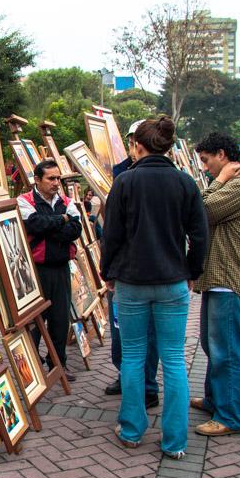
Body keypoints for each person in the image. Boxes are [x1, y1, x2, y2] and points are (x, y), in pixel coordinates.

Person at [100, 116, 208, 459]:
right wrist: (192, 270)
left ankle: (132, 430)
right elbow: (200, 235)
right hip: (173, 280)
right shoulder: (185, 183)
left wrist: (107, 273)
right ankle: (174, 441)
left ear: (137, 146)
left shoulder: (126, 183)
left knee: (133, 356)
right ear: (170, 147)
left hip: (131, 282)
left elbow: (112, 235)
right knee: (173, 359)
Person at [192, 132, 240, 436]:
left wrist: (217, 183)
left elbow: (201, 212)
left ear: (221, 155)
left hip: (229, 278)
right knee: (212, 344)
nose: (205, 168)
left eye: (207, 161)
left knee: (227, 349)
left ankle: (230, 415)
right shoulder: (231, 183)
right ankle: (215, 399)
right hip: (218, 278)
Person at [104, 120, 160, 410]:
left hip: (141, 271)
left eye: (135, 141)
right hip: (130, 267)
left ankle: (145, 389)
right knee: (119, 332)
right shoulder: (122, 172)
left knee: (144, 339)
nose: (132, 146)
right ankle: (126, 377)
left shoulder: (164, 173)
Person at [18, 159, 83, 382]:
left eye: (58, 178)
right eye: (51, 178)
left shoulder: (66, 201)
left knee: (60, 319)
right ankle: (33, 366)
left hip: (61, 268)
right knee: (35, 319)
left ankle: (58, 364)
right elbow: (34, 224)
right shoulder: (25, 201)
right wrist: (61, 221)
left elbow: (75, 229)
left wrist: (52, 226)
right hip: (36, 270)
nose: (57, 183)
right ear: (37, 180)